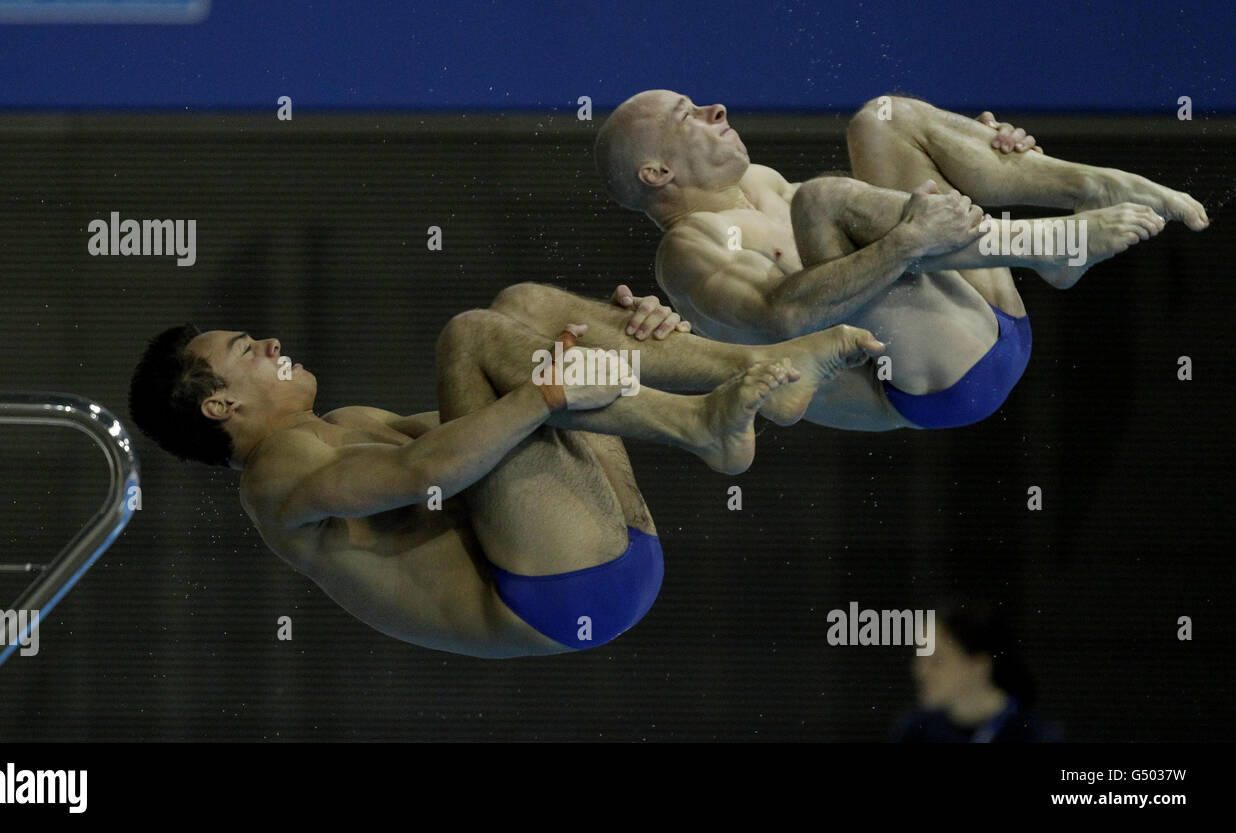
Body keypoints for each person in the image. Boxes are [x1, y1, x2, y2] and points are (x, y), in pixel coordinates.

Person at [128, 287, 882, 658]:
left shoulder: (342, 425)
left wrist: (592, 338)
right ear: (220, 403)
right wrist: (549, 383)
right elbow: (435, 470)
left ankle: (763, 372)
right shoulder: (273, 479)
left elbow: (504, 432)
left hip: (598, 547)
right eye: (246, 347)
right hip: (558, 591)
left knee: (522, 308)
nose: (271, 341)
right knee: (470, 336)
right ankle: (702, 426)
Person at [595, 91, 1209, 430]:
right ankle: (1045, 245)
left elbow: (886, 220)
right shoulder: (685, 252)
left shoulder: (760, 178)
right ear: (657, 172)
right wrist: (907, 241)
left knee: (883, 119)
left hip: (984, 310)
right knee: (823, 199)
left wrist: (970, 152)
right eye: (690, 116)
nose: (718, 109)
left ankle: (1085, 193)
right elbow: (781, 318)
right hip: (941, 380)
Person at [891, 601, 1064, 742]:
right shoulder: (914, 731)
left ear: (979, 665)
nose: (920, 671)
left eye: (936, 661)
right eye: (920, 657)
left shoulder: (1035, 735)